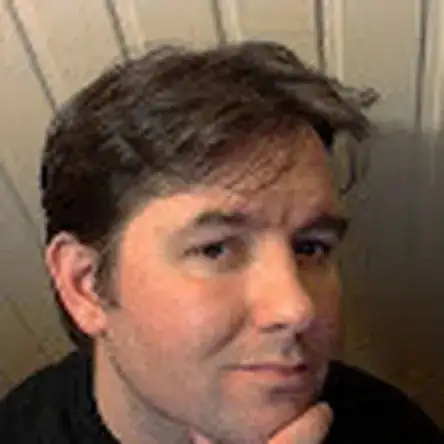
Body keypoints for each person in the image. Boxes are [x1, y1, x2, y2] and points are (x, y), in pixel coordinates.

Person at [0, 40, 441, 444]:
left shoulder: (391, 430)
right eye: (216, 249)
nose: (297, 309)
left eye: (311, 248)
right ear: (85, 285)